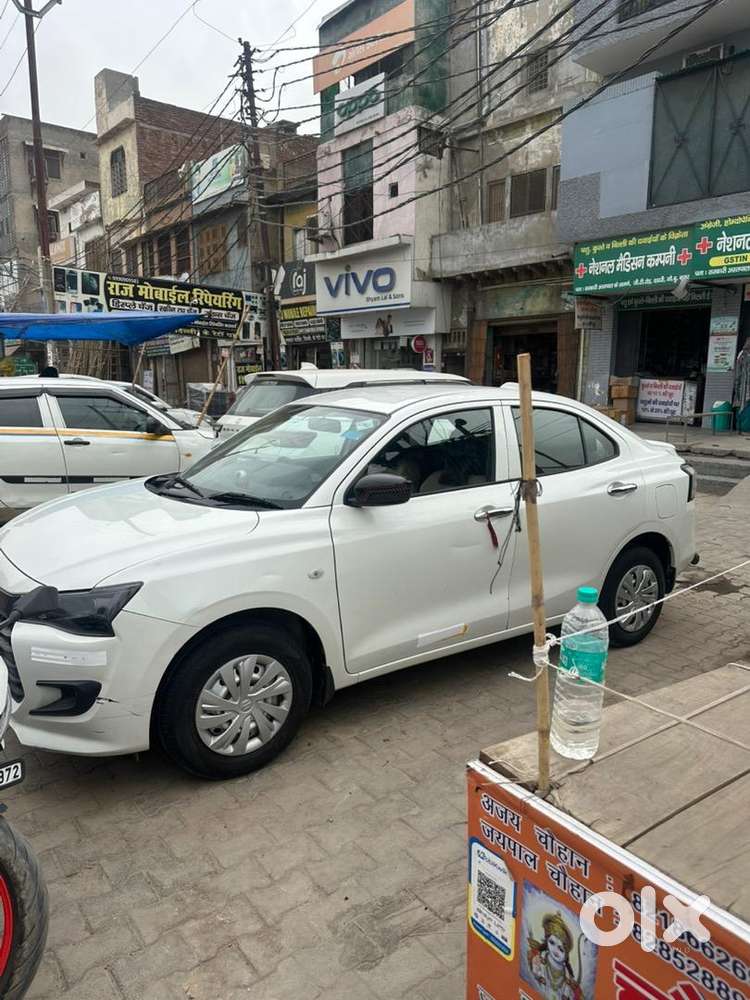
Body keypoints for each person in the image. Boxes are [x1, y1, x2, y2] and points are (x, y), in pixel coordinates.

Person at [527, 912, 584, 1000]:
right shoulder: (539, 960)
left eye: (561, 949)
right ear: (546, 941)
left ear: (566, 954)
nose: (555, 950)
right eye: (552, 943)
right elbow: (533, 975)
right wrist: (538, 975)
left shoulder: (568, 976)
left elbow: (569, 993)